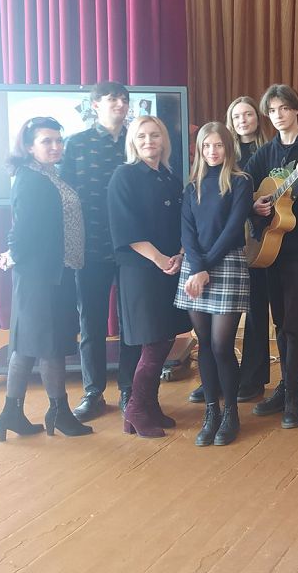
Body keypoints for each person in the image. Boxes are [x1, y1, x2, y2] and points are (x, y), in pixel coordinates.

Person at [0, 117, 93, 440]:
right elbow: (22, 229)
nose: (55, 146)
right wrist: (13, 254)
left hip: (54, 272)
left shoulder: (48, 174)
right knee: (49, 345)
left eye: (58, 140)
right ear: (28, 146)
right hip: (41, 276)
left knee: (28, 343)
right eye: (46, 141)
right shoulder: (30, 179)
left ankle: (11, 413)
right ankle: (59, 412)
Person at [59, 81, 141, 422]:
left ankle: (129, 390)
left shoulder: (136, 140)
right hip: (90, 248)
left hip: (132, 248)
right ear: (95, 105)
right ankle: (93, 393)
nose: (119, 104)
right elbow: (63, 194)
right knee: (91, 322)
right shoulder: (75, 143)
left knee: (131, 322)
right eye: (112, 99)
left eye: (124, 99)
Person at [108, 116, 192, 438]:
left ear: (163, 140)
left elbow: (182, 222)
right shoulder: (124, 176)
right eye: (141, 136)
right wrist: (159, 259)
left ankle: (150, 405)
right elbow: (126, 229)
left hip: (170, 267)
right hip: (141, 271)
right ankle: (135, 408)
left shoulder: (169, 176)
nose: (148, 141)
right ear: (133, 141)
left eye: (155, 135)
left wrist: (179, 255)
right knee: (153, 341)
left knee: (166, 337)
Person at [246, 85, 298, 429]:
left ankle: (294, 395)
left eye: (284, 108)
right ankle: (283, 387)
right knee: (279, 321)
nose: (278, 115)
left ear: (296, 110)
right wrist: (254, 206)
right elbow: (244, 188)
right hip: (270, 247)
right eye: (273, 110)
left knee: (294, 323)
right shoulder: (265, 152)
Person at [186, 96, 270, 405]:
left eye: (248, 114)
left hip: (245, 247)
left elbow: (239, 219)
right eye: (237, 116)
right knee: (208, 339)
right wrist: (199, 265)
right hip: (205, 255)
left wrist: (253, 208)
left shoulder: (260, 158)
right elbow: (190, 224)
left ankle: (249, 380)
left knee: (248, 320)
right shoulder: (197, 179)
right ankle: (216, 389)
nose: (243, 120)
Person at [175, 123, 254, 446]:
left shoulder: (240, 181)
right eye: (206, 146)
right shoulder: (192, 185)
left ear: (228, 147)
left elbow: (233, 229)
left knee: (222, 345)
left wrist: (205, 267)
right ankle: (212, 411)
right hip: (195, 268)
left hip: (227, 263)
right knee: (204, 343)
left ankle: (231, 412)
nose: (212, 151)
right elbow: (186, 231)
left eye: (218, 145)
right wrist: (197, 268)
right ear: (199, 149)